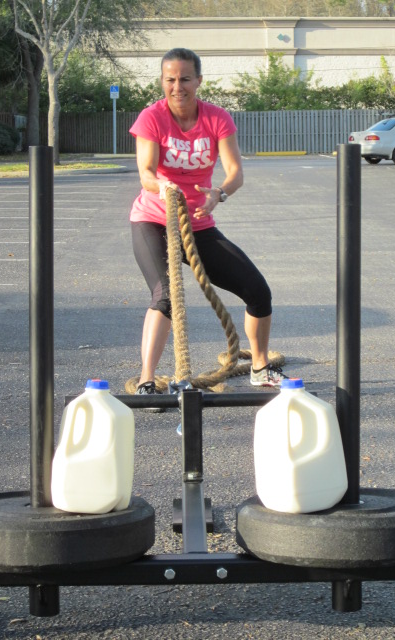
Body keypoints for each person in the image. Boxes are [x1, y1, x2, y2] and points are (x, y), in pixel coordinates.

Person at [129, 48, 287, 399]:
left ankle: (260, 368)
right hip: (153, 219)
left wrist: (219, 193)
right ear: (162, 81)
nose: (177, 86)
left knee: (257, 291)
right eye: (170, 79)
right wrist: (164, 186)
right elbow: (146, 173)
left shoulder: (216, 118)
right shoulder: (151, 117)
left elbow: (235, 173)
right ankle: (146, 380)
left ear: (199, 80)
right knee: (165, 296)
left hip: (198, 223)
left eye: (185, 78)